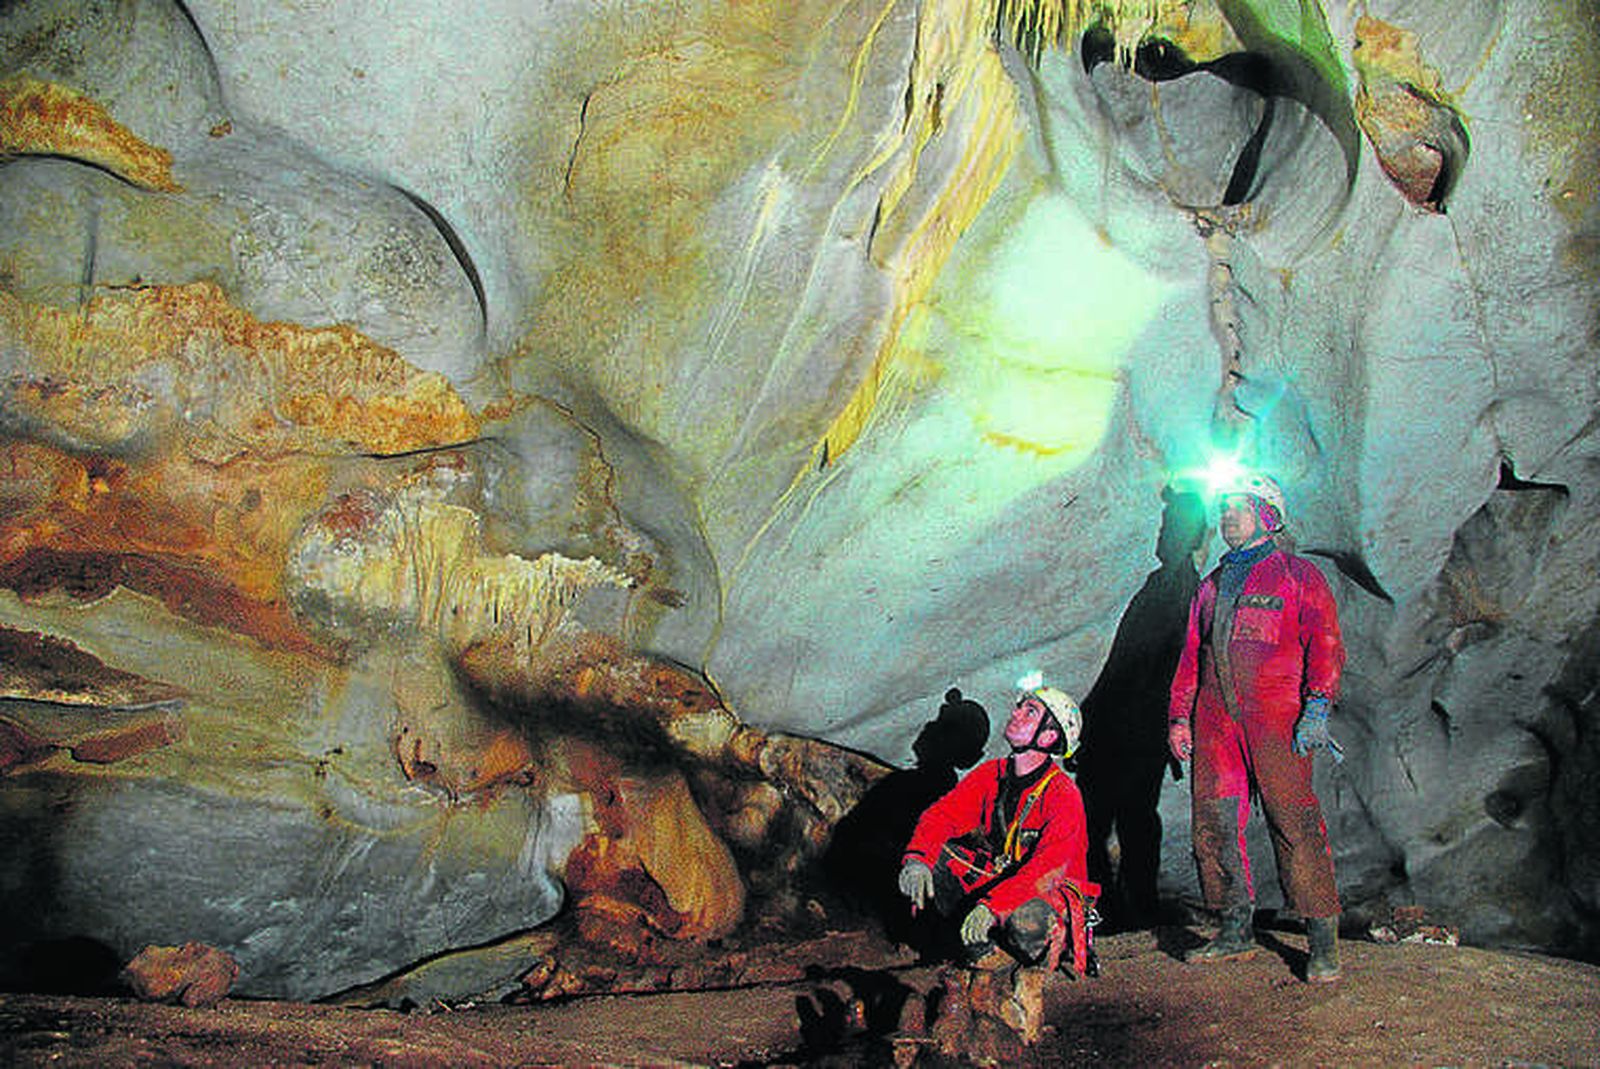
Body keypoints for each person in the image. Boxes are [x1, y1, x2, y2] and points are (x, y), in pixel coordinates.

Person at [1167, 473, 1346, 982]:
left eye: (1239, 508)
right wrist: (1179, 717)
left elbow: (1325, 642)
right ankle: (1234, 929)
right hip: (1216, 721)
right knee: (1215, 822)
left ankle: (1322, 941)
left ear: (1267, 515)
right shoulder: (1211, 585)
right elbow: (1191, 656)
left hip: (1277, 720)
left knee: (1294, 821)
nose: (1227, 517)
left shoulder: (1297, 575)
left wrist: (1317, 704)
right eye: (1223, 509)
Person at [896, 680, 1096, 973]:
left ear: (1049, 736)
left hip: (1048, 892)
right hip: (1005, 878)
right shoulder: (993, 774)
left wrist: (993, 905)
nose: (1015, 713)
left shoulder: (1063, 795)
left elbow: (1048, 869)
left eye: (1030, 711)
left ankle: (1037, 958)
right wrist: (918, 860)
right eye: (1019, 707)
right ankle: (979, 950)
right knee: (936, 860)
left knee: (1028, 919)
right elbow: (942, 816)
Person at [1077, 487, 1207, 930]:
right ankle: (1123, 909)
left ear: (1191, 535)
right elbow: (1124, 664)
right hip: (1122, 724)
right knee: (1117, 818)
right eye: (1164, 527)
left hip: (1138, 727)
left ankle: (1128, 910)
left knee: (1125, 817)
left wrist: (1161, 722)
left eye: (1173, 528)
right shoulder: (1161, 585)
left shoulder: (1182, 590)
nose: (1163, 535)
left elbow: (1160, 666)